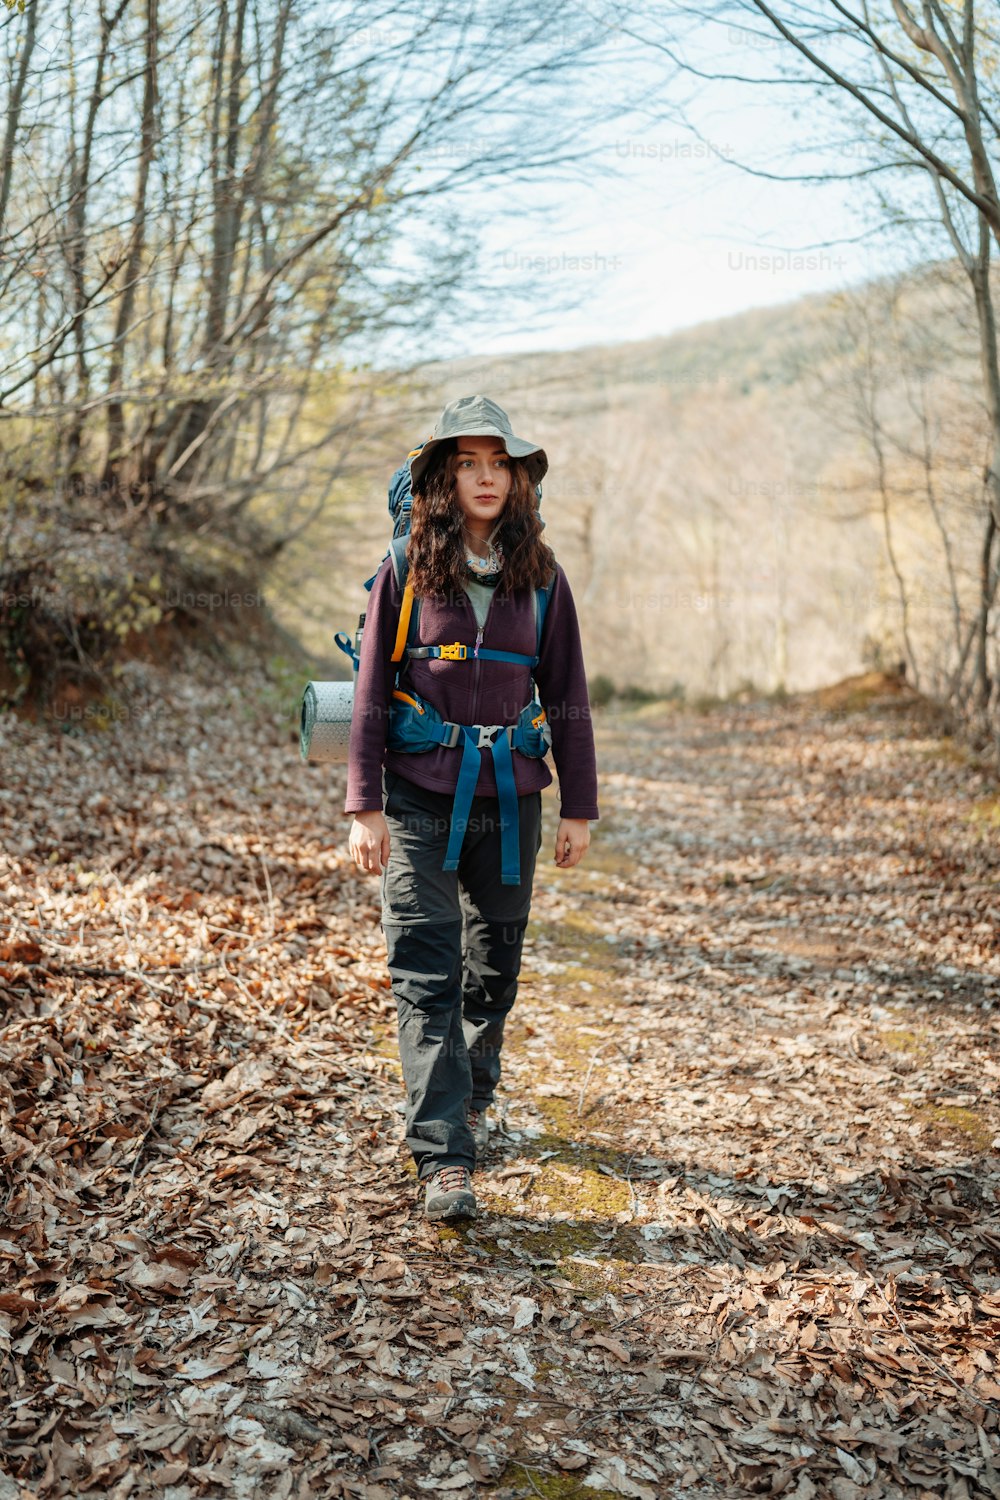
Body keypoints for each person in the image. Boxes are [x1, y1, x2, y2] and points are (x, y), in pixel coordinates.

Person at [344, 394, 599, 1222]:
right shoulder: (405, 569)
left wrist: (579, 806)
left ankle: (476, 1075)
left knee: (496, 966)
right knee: (425, 973)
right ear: (442, 482)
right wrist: (364, 804)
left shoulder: (544, 578)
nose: (485, 478)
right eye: (467, 464)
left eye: (500, 464)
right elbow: (373, 694)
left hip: (511, 798)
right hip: (419, 796)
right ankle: (444, 1159)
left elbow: (567, 697)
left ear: (518, 481)